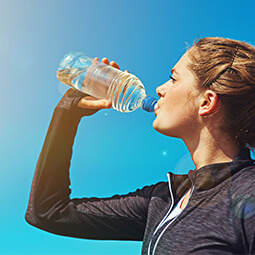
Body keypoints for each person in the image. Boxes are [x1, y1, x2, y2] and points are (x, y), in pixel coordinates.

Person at [25, 37, 255, 255]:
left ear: (206, 102)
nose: (160, 89)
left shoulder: (249, 192)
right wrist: (68, 112)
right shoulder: (163, 199)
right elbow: (47, 212)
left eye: (174, 79)